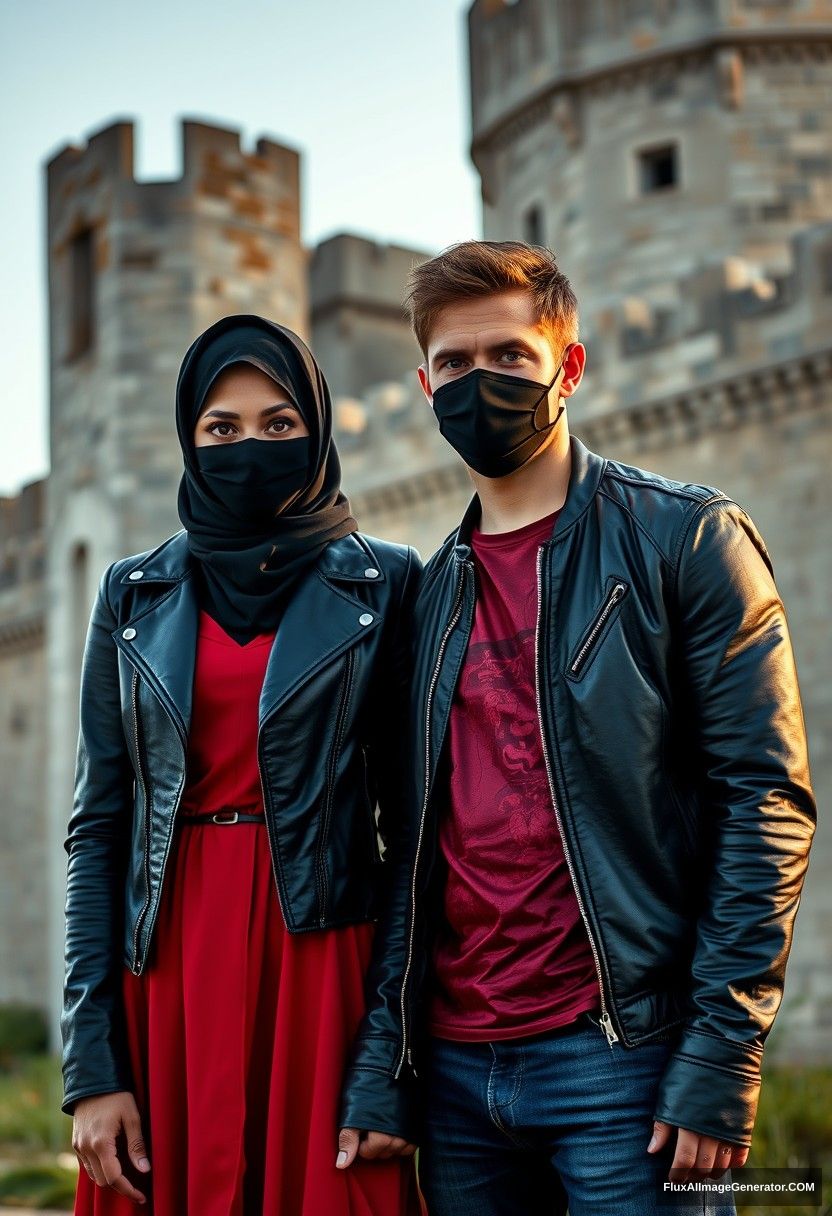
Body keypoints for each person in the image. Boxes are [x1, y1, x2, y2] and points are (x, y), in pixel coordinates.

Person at [341, 240, 817, 1216]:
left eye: (509, 357)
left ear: (568, 366)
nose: (482, 383)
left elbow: (764, 802)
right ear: (424, 383)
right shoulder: (423, 599)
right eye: (458, 365)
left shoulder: (684, 538)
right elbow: (410, 852)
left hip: (626, 1062)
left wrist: (720, 1054)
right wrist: (383, 1066)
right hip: (459, 1076)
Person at [61, 314, 426, 1215]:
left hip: (321, 960)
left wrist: (388, 1055)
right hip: (167, 964)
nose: (249, 446)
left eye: (278, 424)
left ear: (316, 429)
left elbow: (419, 837)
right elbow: (99, 828)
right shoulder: (132, 592)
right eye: (221, 428)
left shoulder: (389, 583)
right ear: (189, 436)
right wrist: (91, 1065)